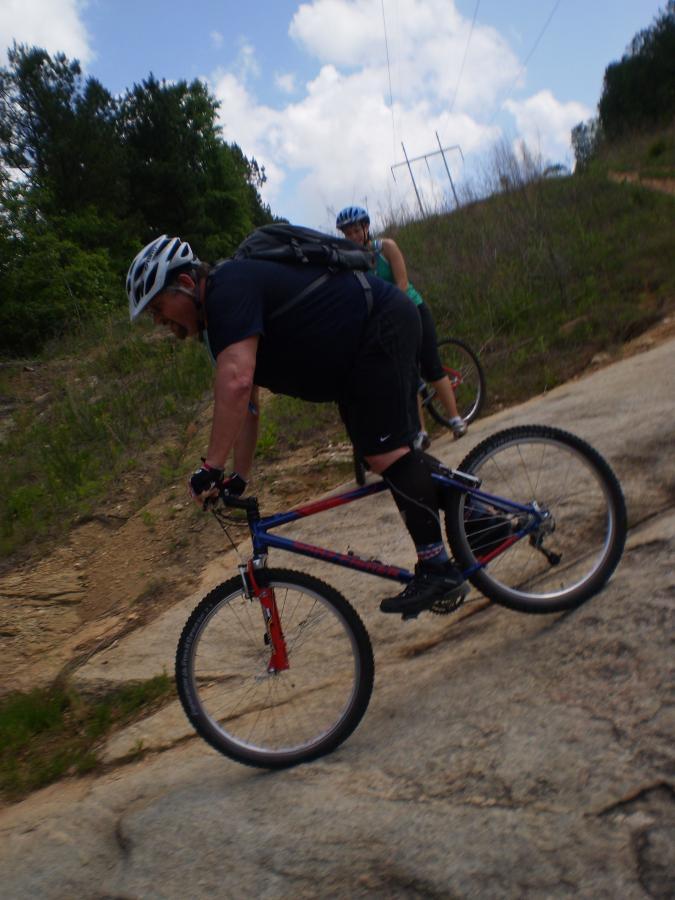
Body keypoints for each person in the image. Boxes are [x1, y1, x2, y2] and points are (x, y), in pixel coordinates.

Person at [126, 234, 467, 617]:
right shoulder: (223, 314)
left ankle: (437, 567)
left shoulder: (227, 290)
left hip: (379, 326)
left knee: (386, 451)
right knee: (384, 455)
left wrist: (210, 469)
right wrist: (238, 475)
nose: (159, 321)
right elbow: (248, 405)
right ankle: (482, 522)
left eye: (158, 307)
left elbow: (236, 384)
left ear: (186, 284)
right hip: (356, 356)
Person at [336, 205, 467, 446]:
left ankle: (456, 419)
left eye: (356, 230)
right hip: (388, 321)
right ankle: (421, 432)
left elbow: (402, 284)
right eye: (347, 234)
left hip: (413, 310)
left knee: (430, 366)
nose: (352, 237)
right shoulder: (354, 262)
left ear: (366, 228)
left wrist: (390, 315)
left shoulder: (387, 247)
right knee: (406, 375)